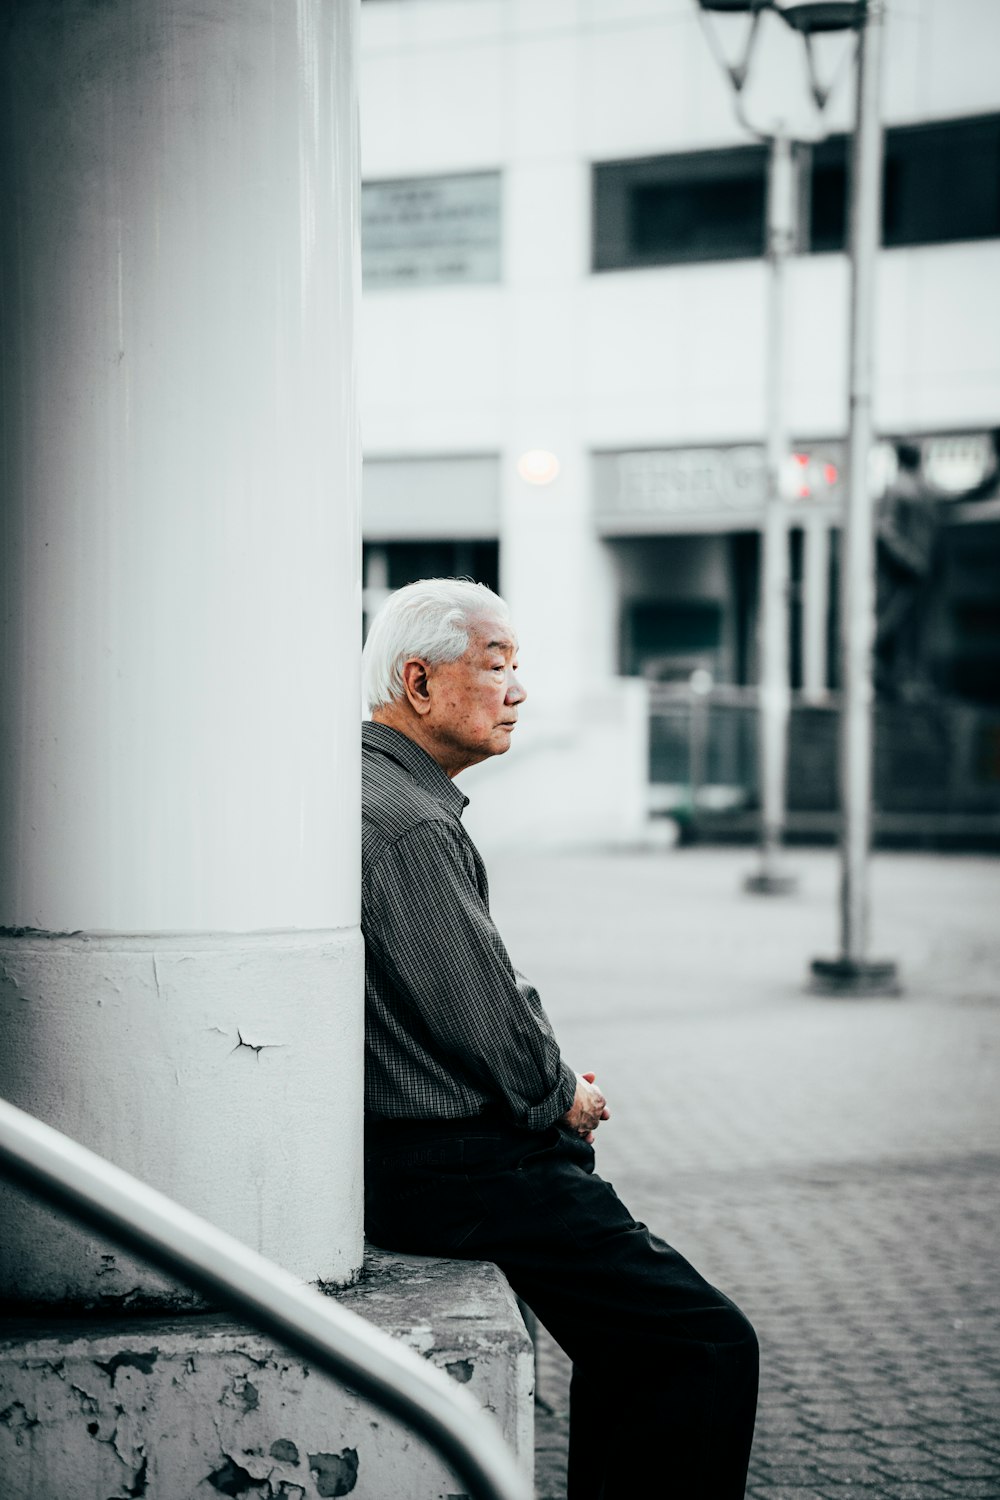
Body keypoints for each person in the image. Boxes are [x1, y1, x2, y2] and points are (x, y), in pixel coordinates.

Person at [361, 578, 759, 1499]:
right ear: (419, 682)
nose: (519, 689)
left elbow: (479, 993)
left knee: (651, 1341)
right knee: (701, 1341)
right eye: (496, 664)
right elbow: (481, 1016)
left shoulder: (380, 793)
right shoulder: (409, 824)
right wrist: (560, 1096)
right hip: (462, 1167)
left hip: (432, 1159)